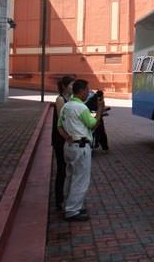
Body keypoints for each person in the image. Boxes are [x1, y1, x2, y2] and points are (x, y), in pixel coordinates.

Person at [57, 79, 104, 222]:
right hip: (81, 147)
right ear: (82, 91)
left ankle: (68, 205)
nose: (88, 93)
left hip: (70, 145)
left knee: (70, 176)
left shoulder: (66, 106)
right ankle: (73, 210)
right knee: (80, 179)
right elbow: (93, 124)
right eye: (87, 91)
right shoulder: (81, 108)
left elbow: (59, 126)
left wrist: (67, 137)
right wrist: (100, 109)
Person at [51, 76, 74, 210]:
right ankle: (59, 199)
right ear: (64, 86)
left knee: (67, 169)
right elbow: (62, 119)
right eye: (71, 85)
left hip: (66, 137)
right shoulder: (60, 99)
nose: (73, 87)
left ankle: (66, 197)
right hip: (60, 138)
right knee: (62, 169)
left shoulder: (71, 99)